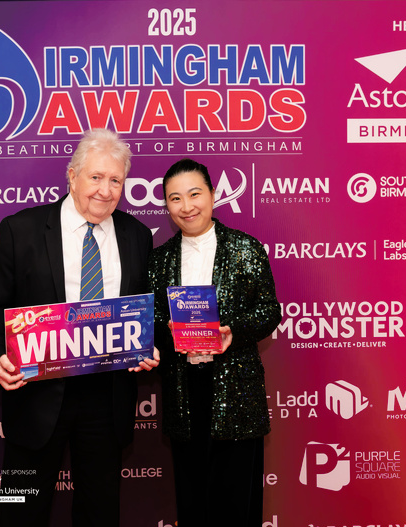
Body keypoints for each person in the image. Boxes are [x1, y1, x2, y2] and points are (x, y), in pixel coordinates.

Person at [0, 129, 158, 527]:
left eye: (115, 180)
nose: (105, 191)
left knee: (99, 513)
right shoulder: (20, 230)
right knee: (20, 513)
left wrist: (148, 345)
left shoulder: (137, 236)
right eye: (95, 177)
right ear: (71, 176)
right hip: (35, 396)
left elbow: (142, 311)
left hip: (107, 400)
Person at [148, 158, 281, 527]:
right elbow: (150, 322)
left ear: (213, 194)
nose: (186, 206)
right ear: (166, 206)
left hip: (236, 389)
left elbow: (270, 310)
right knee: (193, 501)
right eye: (175, 198)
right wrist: (169, 332)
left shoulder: (245, 248)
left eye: (195, 194)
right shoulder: (157, 261)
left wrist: (232, 332)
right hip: (183, 390)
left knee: (237, 501)